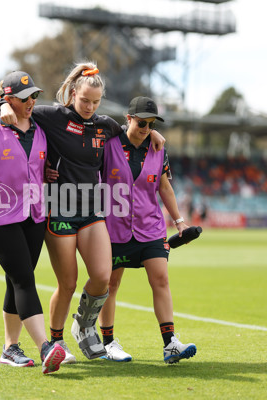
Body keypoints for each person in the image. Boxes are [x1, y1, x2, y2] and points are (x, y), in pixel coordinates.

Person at [0, 62, 166, 362]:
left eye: (96, 102)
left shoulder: (106, 125)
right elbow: (20, 107)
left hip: (92, 209)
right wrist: (0, 106)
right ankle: (56, 341)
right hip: (59, 209)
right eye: (85, 100)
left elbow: (133, 135)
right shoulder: (52, 116)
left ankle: (83, 326)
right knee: (68, 283)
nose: (89, 106)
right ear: (73, 94)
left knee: (102, 276)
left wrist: (151, 134)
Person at [0, 71, 65, 374]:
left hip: (34, 215)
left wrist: (48, 175)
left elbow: (37, 165)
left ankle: (10, 348)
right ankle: (46, 347)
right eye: (24, 97)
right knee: (23, 279)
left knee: (16, 279)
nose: (32, 101)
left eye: (34, 95)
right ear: (8, 99)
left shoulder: (40, 129)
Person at [98, 96, 197, 363]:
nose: (145, 128)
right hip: (114, 228)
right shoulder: (108, 145)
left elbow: (164, 187)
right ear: (128, 119)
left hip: (150, 227)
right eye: (141, 122)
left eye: (151, 124)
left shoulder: (159, 149)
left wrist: (179, 222)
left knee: (161, 279)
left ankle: (170, 344)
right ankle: (108, 343)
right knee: (111, 284)